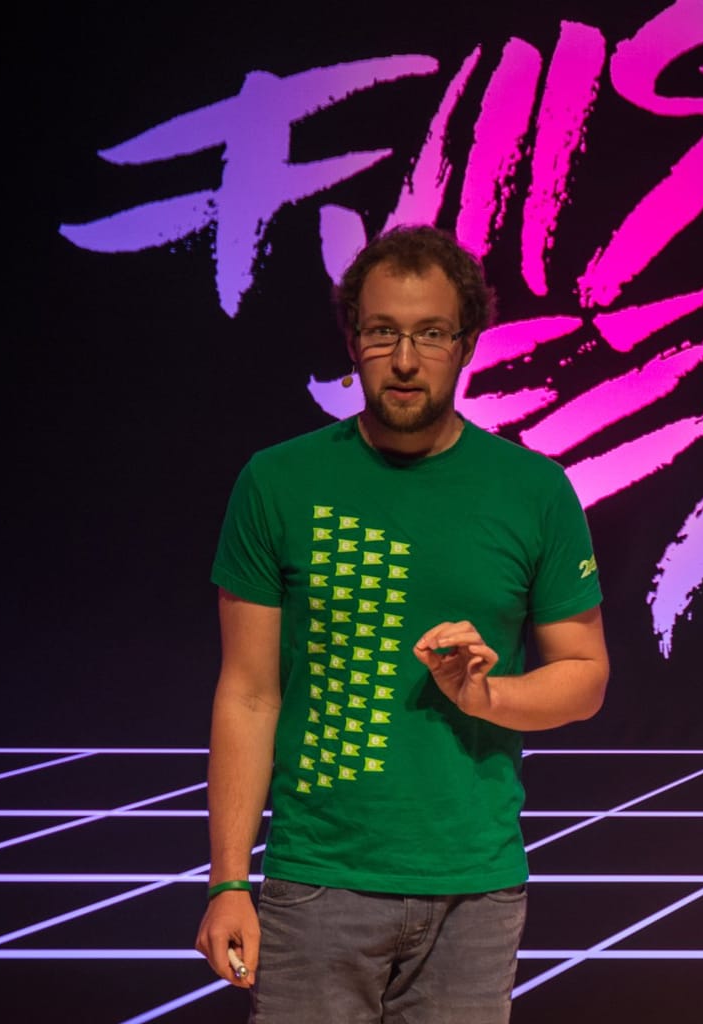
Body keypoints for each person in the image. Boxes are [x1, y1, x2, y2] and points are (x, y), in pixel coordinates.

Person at [194, 224, 608, 1023]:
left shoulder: (535, 491)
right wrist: (228, 882)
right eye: (383, 332)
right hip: (316, 882)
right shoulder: (277, 483)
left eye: (431, 333)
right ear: (353, 343)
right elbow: (247, 693)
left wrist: (486, 695)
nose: (406, 360)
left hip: (474, 890)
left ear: (467, 343)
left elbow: (585, 678)